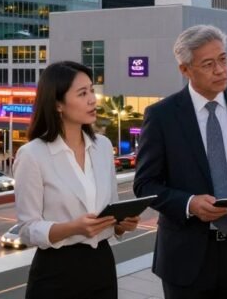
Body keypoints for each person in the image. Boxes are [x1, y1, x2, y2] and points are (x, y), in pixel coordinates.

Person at [134, 25, 227, 298]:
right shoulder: (162, 116)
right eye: (208, 64)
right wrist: (189, 204)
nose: (220, 70)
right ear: (185, 70)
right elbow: (145, 184)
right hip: (185, 257)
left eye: (224, 59)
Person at [14, 62, 141, 299]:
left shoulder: (102, 146)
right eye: (82, 93)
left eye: (92, 90)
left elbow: (109, 207)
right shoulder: (33, 154)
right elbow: (27, 229)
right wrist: (73, 228)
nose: (92, 99)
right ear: (57, 104)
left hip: (102, 265)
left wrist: (120, 224)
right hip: (57, 271)